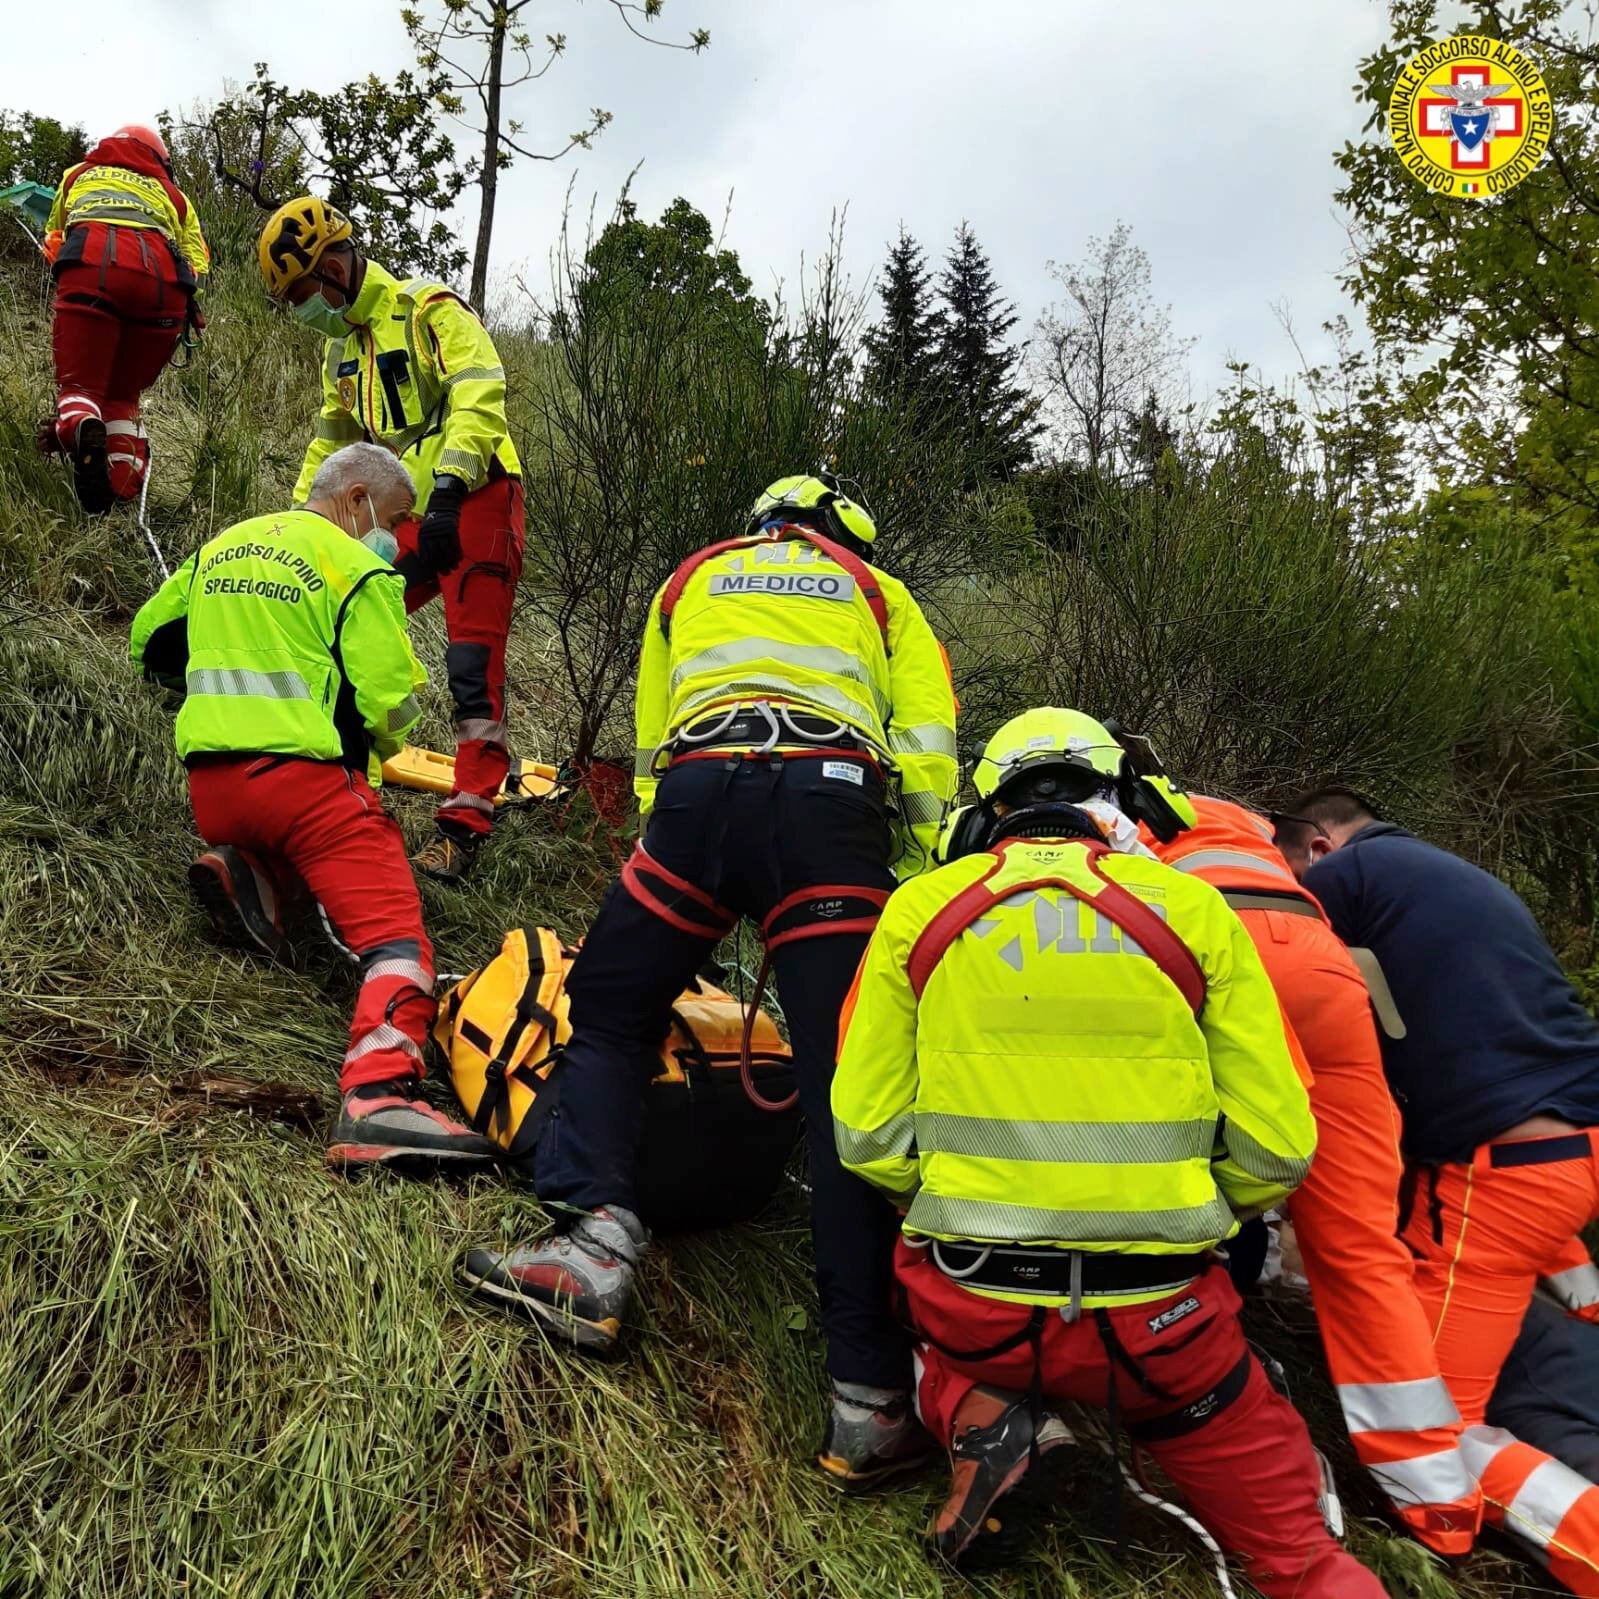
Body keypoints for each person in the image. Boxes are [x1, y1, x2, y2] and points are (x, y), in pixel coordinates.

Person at [460, 473, 959, 1485]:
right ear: (844, 534)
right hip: (830, 814)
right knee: (842, 1087)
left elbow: (654, 738)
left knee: (608, 1004)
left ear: (762, 524)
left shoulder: (695, 573)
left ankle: (593, 1248)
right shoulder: (876, 592)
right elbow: (930, 759)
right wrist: (896, 893)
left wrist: (682, 854)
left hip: (699, 798)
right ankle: (867, 1401)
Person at [829, 709, 1386, 1596]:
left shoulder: (917, 912)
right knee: (1306, 1562)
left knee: (915, 1312)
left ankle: (990, 1423)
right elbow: (1280, 1144)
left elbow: (864, 1134)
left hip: (977, 1309)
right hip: (1163, 1331)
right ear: (1125, 804)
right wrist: (1200, 1212)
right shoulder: (1196, 912)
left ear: (981, 817)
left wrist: (940, 1200)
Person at [129, 442, 500, 1172]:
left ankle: (249, 875)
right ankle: (379, 1093)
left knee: (292, 848)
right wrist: (377, 739)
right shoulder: (357, 565)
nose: (394, 538)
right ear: (357, 500)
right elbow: (390, 702)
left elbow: (149, 639)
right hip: (305, 785)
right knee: (399, 941)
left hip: (211, 786)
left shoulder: (223, 545)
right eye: (394, 518)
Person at [1277, 786, 1599, 1594]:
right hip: (1568, 1148)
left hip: (1504, 1178)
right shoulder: (1446, 878)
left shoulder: (1347, 875)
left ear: (1318, 845)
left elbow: (1277, 957)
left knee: (1432, 1435)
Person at [1149, 789, 1482, 1554]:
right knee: (1361, 1241)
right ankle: (1436, 1499)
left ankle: (1203, 1377)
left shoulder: (1108, 798)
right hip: (1323, 963)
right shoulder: (1252, 822)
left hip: (1213, 948)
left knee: (1178, 1163)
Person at [257, 196, 524, 883]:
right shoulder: (338, 351)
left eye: (304, 290)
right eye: (291, 299)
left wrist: (452, 489)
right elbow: (331, 448)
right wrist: (298, 528)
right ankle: (339, 787)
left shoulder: (427, 309)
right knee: (340, 629)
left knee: (471, 666)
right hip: (404, 509)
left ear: (338, 264)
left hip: (479, 493)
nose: (302, 308)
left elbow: (480, 395)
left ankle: (464, 826)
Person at [43, 122, 209, 513]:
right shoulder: (176, 196)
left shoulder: (78, 175)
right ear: (160, 160)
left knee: (81, 386)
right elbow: (197, 261)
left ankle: (78, 425)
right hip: (164, 289)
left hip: (92, 267)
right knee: (124, 397)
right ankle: (121, 495)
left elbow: (55, 236)